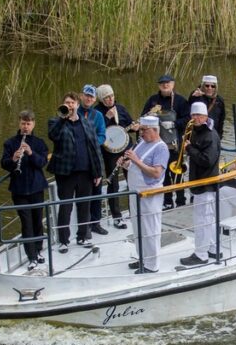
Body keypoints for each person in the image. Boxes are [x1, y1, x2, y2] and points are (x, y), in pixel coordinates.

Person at [47, 92, 104, 253]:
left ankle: (82, 236)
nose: (70, 105)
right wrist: (63, 119)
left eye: (72, 103)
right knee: (65, 207)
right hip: (66, 173)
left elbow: (95, 149)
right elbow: (53, 136)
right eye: (67, 102)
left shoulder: (87, 123)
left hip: (86, 172)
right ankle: (64, 240)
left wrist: (98, 172)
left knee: (84, 206)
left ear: (78, 105)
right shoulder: (56, 122)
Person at [0, 110, 50, 270]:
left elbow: (42, 162)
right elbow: (4, 163)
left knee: (37, 221)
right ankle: (32, 257)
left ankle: (38, 250)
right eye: (23, 123)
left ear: (33, 124)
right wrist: (13, 159)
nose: (25, 127)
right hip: (19, 190)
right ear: (19, 123)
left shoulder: (39, 143)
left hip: (36, 188)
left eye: (28, 124)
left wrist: (30, 152)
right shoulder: (10, 143)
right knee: (26, 223)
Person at [120, 116, 170, 274]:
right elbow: (134, 166)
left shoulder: (161, 148)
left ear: (155, 130)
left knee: (150, 230)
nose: (141, 133)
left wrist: (135, 160)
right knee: (137, 227)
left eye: (144, 130)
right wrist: (125, 163)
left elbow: (156, 173)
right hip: (135, 193)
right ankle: (142, 258)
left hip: (150, 194)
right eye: (141, 130)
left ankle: (152, 264)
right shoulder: (142, 143)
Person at [179, 102, 221, 267]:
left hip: (206, 184)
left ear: (205, 117)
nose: (194, 118)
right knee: (207, 219)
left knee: (202, 220)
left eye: (198, 115)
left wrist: (189, 149)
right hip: (201, 183)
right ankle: (212, 248)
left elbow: (207, 160)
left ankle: (201, 254)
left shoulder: (209, 135)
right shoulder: (198, 132)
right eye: (193, 115)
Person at [141, 74, 190, 209]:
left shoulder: (180, 101)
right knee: (163, 175)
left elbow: (188, 119)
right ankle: (167, 201)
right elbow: (142, 118)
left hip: (174, 145)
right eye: (162, 83)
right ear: (159, 85)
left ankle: (181, 201)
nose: (165, 85)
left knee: (177, 173)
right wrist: (149, 116)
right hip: (157, 146)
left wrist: (174, 123)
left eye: (168, 83)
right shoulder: (153, 100)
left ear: (173, 84)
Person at [95, 83, 134, 229]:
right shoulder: (97, 112)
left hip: (126, 149)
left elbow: (129, 124)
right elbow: (94, 131)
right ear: (101, 99)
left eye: (111, 96)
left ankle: (134, 211)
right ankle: (117, 217)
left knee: (133, 179)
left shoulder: (121, 109)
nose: (110, 99)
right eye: (106, 98)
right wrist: (106, 117)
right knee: (113, 184)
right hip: (110, 152)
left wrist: (135, 127)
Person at [79, 84, 109, 235]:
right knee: (84, 194)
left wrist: (91, 143)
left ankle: (96, 223)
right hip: (80, 160)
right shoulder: (74, 112)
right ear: (81, 96)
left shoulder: (97, 115)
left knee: (97, 192)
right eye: (86, 95)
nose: (88, 98)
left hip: (95, 158)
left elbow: (103, 136)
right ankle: (84, 226)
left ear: (95, 99)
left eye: (91, 96)